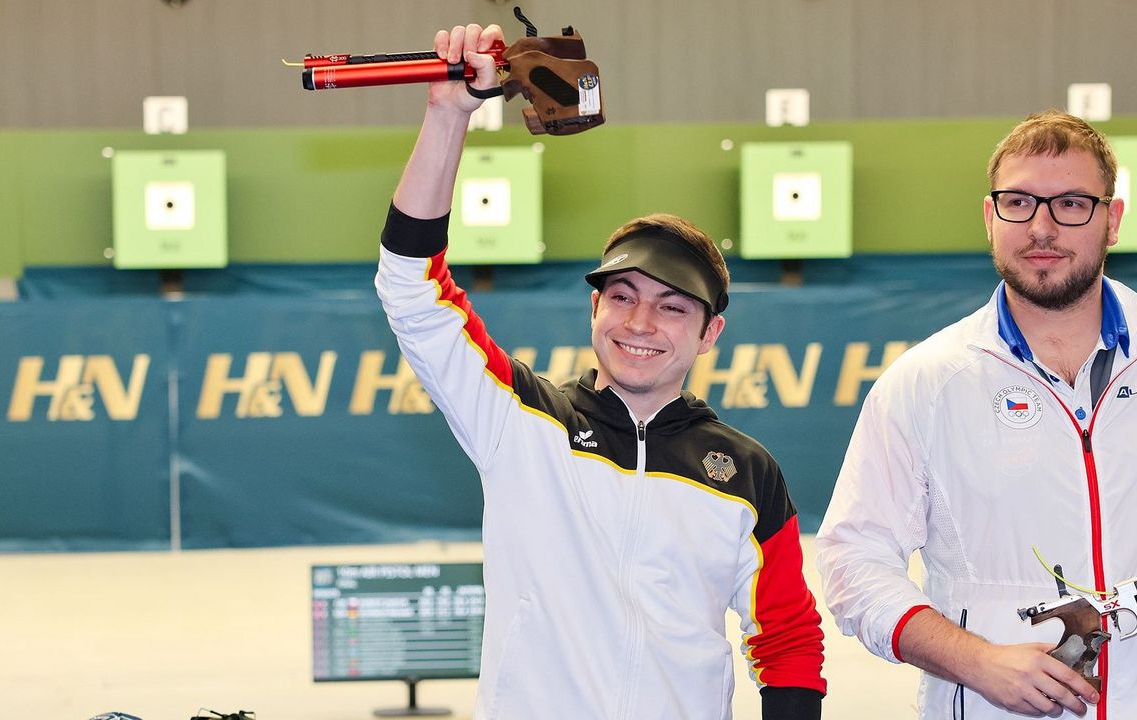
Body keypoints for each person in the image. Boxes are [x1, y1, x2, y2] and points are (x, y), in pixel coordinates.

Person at [374, 22, 825, 720]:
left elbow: (788, 642)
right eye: (622, 297)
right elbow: (411, 288)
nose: (640, 324)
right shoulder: (519, 419)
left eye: (672, 307)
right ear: (594, 309)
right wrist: (446, 115)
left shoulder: (747, 473)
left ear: (711, 333)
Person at [815, 109, 1132, 719]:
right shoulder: (925, 383)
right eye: (1019, 202)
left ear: (1111, 219)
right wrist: (976, 660)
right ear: (990, 218)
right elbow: (854, 562)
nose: (1042, 228)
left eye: (1071, 203)